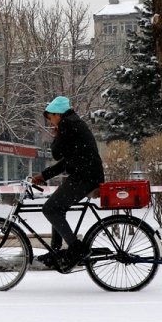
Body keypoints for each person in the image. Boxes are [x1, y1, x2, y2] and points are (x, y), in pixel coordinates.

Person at [31, 96, 105, 270]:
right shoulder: (74, 123)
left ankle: (76, 249)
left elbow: (57, 153)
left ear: (57, 114)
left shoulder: (67, 124)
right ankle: (56, 251)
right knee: (57, 208)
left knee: (50, 209)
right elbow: (67, 160)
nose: (51, 123)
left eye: (50, 118)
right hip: (87, 175)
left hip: (84, 177)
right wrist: (44, 175)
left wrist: (56, 136)